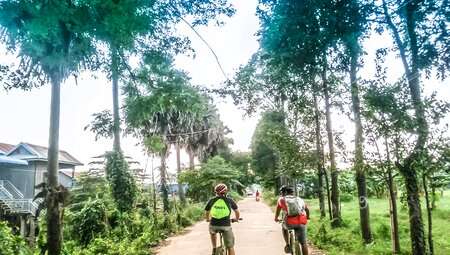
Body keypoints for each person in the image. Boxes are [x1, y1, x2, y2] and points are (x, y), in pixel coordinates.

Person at [205, 183, 240, 255]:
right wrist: (236, 219)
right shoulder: (229, 200)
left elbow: (207, 212)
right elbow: (236, 211)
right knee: (230, 247)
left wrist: (208, 219)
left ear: (216, 192)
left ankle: (214, 248)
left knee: (212, 232)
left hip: (213, 225)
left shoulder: (211, 200)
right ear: (226, 191)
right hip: (226, 225)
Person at [274, 185, 309, 255]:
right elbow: (307, 209)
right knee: (303, 243)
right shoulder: (299, 199)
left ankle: (287, 244)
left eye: (282, 192)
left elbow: (277, 211)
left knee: (283, 227)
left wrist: (276, 219)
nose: (281, 194)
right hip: (301, 222)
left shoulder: (281, 199)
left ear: (285, 192)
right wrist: (307, 217)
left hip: (289, 223)